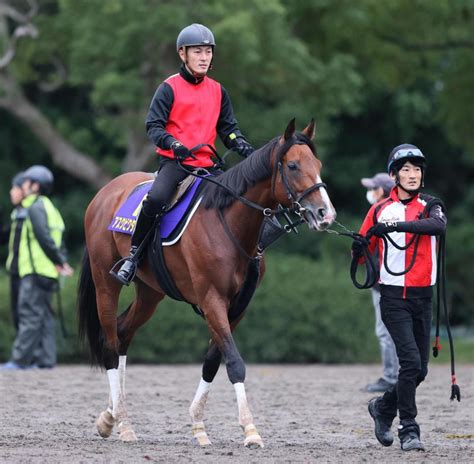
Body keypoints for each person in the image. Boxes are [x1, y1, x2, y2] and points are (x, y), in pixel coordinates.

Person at [113, 23, 254, 285]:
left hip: (208, 166)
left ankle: (245, 259)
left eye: (208, 52)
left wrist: (241, 144)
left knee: (241, 199)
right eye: (197, 52)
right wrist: (173, 143)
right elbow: (153, 126)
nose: (203, 57)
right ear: (182, 54)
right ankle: (132, 256)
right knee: (155, 200)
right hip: (176, 164)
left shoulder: (218, 90)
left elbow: (228, 129)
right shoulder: (169, 88)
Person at [352, 144, 447, 452]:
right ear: (393, 175)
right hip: (393, 298)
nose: (412, 174)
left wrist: (393, 227)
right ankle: (409, 428)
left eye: (416, 169)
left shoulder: (431, 204)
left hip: (423, 298)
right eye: (405, 169)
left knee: (419, 370)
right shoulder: (378, 210)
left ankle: (382, 408)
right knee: (409, 364)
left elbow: (437, 226)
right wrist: (359, 246)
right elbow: (362, 249)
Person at [0, 165, 73, 370]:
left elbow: (44, 238)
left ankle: (20, 360)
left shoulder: (34, 208)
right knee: (45, 316)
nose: (22, 186)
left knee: (29, 315)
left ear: (34, 185)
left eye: (26, 183)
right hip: (47, 272)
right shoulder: (50, 207)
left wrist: (60, 261)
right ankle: (46, 360)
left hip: (34, 271)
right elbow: (60, 240)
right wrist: (61, 260)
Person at [360, 173, 398, 393]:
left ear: (382, 190)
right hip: (390, 279)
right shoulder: (392, 210)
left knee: (385, 331)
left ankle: (391, 377)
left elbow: (367, 246)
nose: (370, 192)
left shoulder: (379, 212)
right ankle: (398, 375)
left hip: (383, 281)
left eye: (373, 188)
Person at [4, 172, 27, 332]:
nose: (11, 191)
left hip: (27, 274)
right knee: (18, 317)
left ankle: (24, 357)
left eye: (15, 188)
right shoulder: (16, 214)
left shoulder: (32, 213)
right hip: (15, 271)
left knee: (27, 317)